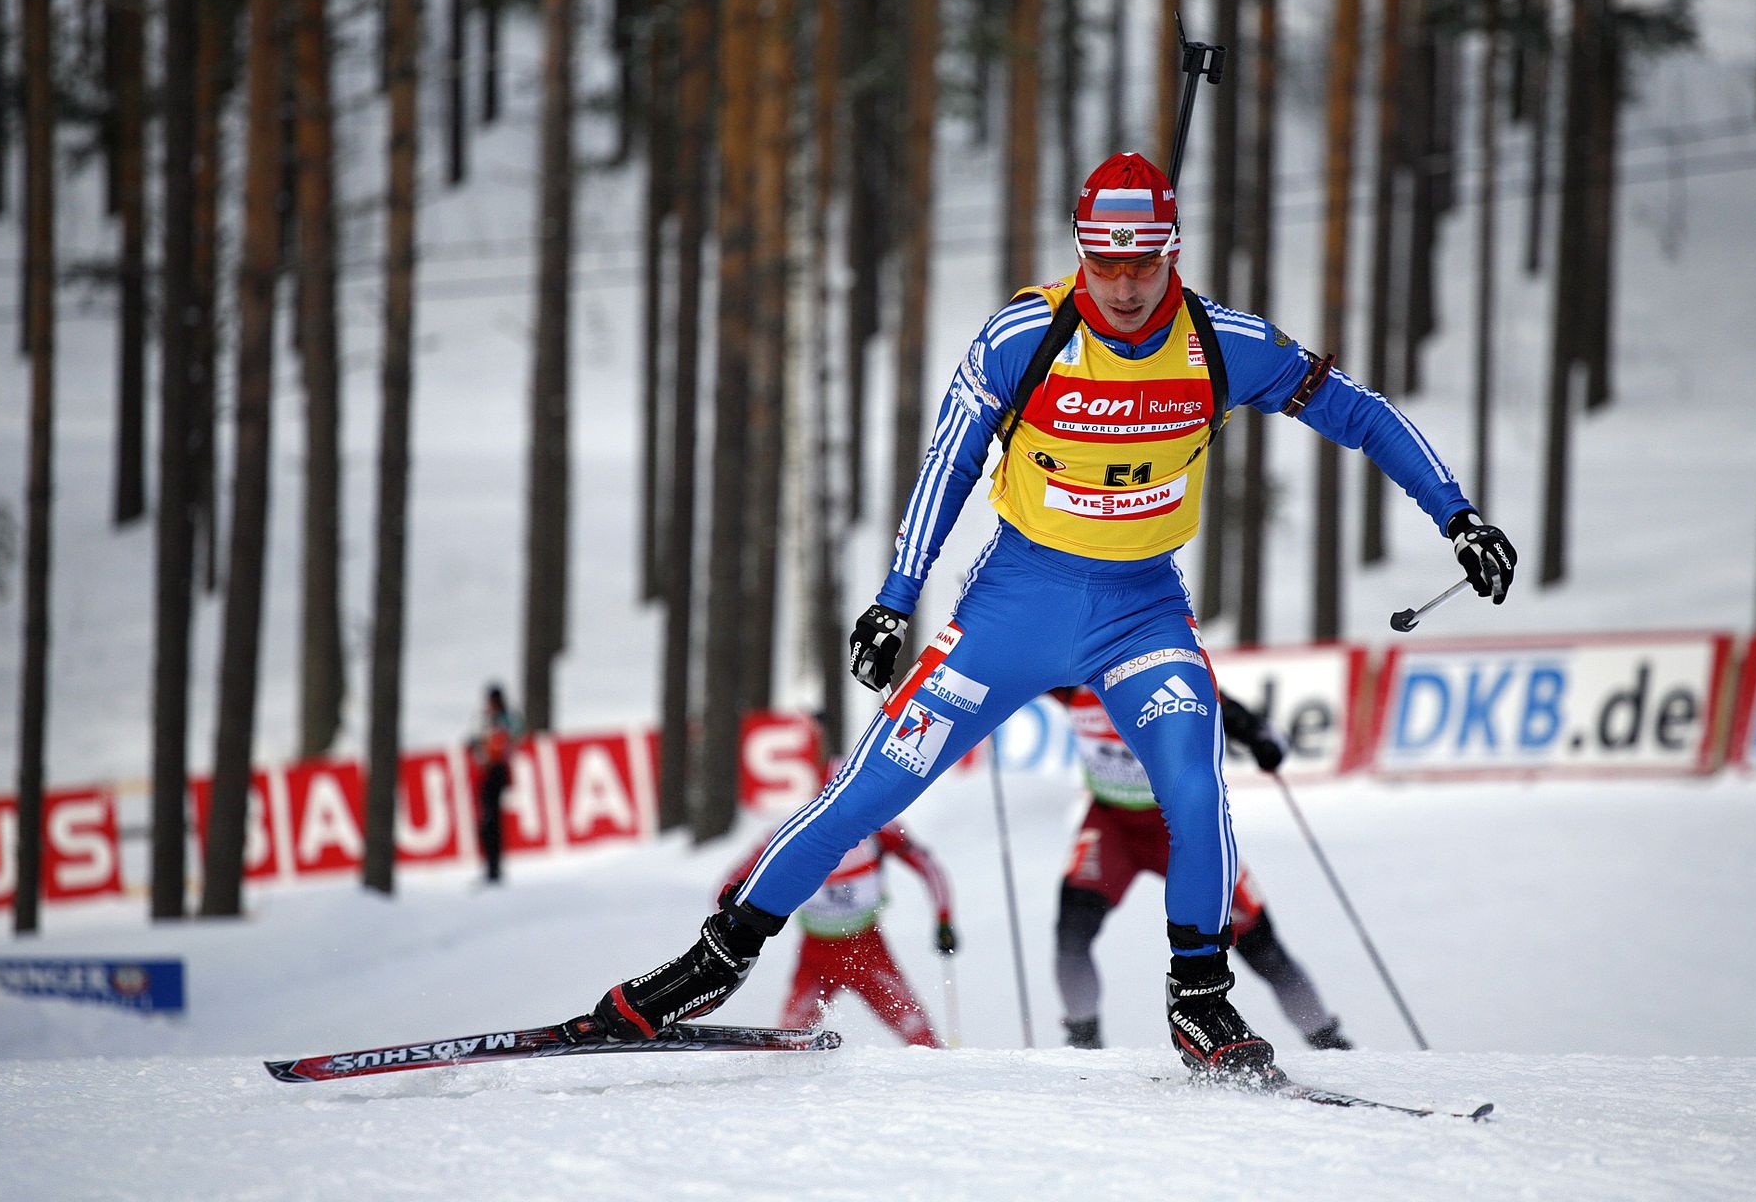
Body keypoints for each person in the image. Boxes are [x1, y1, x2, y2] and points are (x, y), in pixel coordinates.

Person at [580, 151, 1515, 1079]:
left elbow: (1360, 412)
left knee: (1195, 790)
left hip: (1141, 614)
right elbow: (947, 462)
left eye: (1143, 264)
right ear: (1079, 253)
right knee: (868, 794)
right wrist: (895, 598)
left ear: (1173, 254)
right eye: (1104, 265)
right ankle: (716, 961)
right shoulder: (1022, 335)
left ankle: (1199, 1001)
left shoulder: (1226, 345)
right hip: (1012, 610)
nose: (1124, 287)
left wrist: (1458, 515)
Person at [1049, 684, 1352, 1052]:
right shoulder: (1071, 682)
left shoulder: (1156, 673)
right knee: (1072, 931)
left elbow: (1230, 710)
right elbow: (1011, 664)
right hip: (1112, 827)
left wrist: (1258, 738)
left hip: (1179, 826)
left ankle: (1328, 1043)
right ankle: (1083, 1042)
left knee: (1261, 946)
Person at [722, 817, 955, 1047]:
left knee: (921, 1037)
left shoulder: (880, 826)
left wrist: (944, 919)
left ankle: (947, 1079)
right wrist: (729, 933)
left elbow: (928, 866)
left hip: (867, 951)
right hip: (816, 956)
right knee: (791, 1042)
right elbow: (732, 881)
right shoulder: (795, 830)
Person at [467, 684, 524, 885]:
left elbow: (505, 742)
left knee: (491, 821)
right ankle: (491, 867)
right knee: (487, 823)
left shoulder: (504, 720)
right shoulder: (488, 720)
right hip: (488, 773)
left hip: (496, 772)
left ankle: (494, 869)